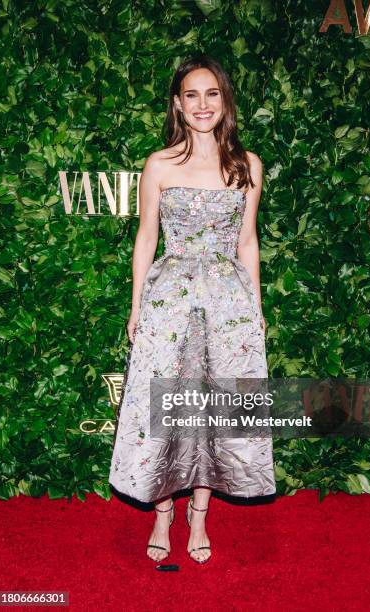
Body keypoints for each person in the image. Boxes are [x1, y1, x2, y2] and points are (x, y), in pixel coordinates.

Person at [109, 55, 276, 565]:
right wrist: (138, 305)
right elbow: (146, 238)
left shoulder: (248, 165)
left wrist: (257, 305)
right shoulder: (159, 164)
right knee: (164, 401)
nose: (202, 104)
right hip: (171, 297)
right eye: (191, 95)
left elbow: (247, 242)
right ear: (178, 105)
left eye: (211, 94)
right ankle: (162, 511)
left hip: (227, 301)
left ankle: (198, 515)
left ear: (224, 101)